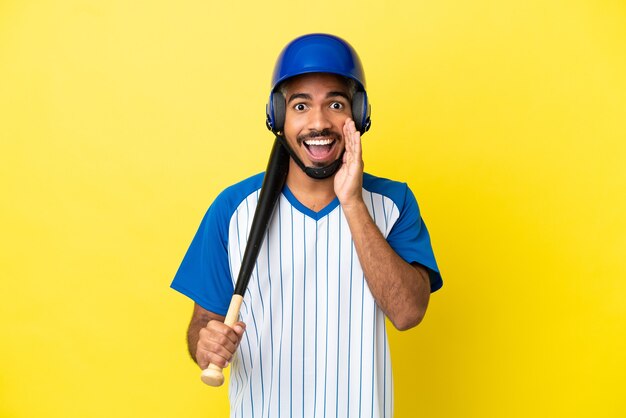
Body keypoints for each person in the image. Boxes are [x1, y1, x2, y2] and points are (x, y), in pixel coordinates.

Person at [171, 33, 443, 418]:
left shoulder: (393, 203)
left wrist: (351, 201)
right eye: (301, 105)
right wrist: (205, 344)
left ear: (359, 115)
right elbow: (203, 323)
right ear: (279, 118)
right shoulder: (232, 208)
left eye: (336, 103)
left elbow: (408, 313)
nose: (319, 122)